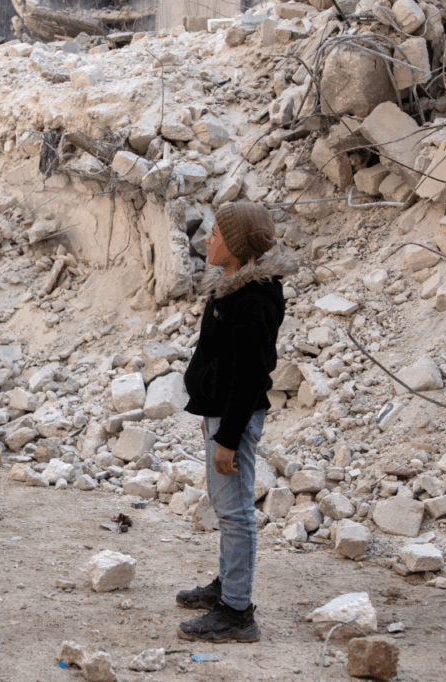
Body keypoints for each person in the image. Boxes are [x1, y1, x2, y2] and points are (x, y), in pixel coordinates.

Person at [175, 201, 296, 643]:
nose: (208, 239)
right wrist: (207, 411)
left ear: (238, 244)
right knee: (226, 507)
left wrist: (227, 436)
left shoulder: (253, 299)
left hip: (234, 418)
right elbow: (217, 358)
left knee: (236, 512)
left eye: (217, 234)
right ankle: (227, 586)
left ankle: (237, 612)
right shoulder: (227, 287)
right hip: (219, 413)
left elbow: (248, 377)